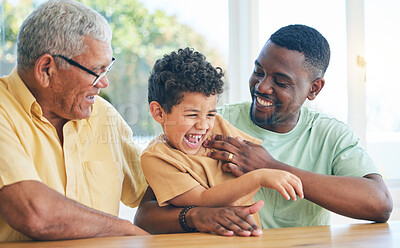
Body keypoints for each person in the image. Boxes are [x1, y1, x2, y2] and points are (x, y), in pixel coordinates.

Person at [134, 24, 393, 235]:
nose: (262, 87)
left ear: (314, 89)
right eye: (258, 71)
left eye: (280, 81)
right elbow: (146, 215)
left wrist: (270, 167)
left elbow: (379, 204)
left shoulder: (330, 135)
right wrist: (195, 216)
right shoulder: (210, 123)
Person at [0, 0, 148, 242]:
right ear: (46, 69)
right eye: (96, 71)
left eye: (107, 69)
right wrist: (125, 229)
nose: (104, 83)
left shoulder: (104, 116)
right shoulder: (3, 110)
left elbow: (157, 194)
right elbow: (34, 212)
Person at [141, 47, 304, 231]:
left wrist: (265, 171)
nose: (203, 125)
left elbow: (251, 157)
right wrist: (258, 177)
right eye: (192, 115)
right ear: (158, 112)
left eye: (210, 114)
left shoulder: (217, 125)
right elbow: (202, 200)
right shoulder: (157, 158)